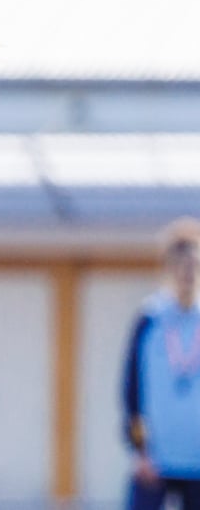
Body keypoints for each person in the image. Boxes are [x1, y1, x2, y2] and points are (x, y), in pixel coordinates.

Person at [122, 217, 200, 510]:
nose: (188, 274)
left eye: (194, 265)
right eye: (181, 265)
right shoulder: (150, 319)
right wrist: (139, 451)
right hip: (156, 460)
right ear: (168, 268)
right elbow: (131, 392)